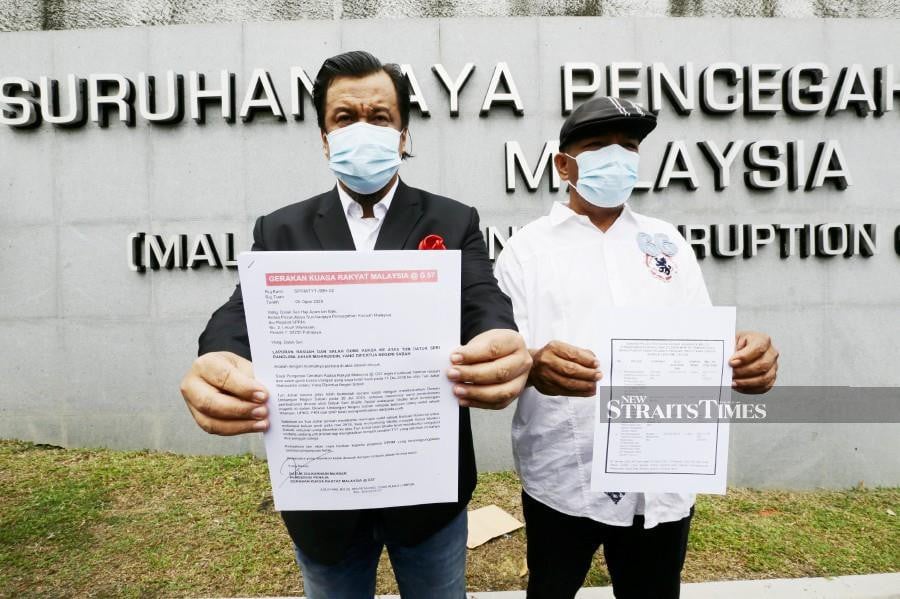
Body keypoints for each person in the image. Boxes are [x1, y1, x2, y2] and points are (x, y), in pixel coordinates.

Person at [179, 50, 532, 599]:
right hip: (325, 501)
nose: (363, 128)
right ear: (324, 137)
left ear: (403, 134)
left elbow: (481, 296)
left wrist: (498, 338)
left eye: (380, 116)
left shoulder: (451, 219)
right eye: (345, 118)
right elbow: (242, 310)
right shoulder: (282, 229)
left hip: (427, 494)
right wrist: (217, 355)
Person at [493, 96, 780, 599]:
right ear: (565, 164)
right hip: (565, 475)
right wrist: (534, 364)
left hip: (662, 477)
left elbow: (702, 341)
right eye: (598, 146)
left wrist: (743, 358)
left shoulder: (666, 241)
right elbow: (505, 353)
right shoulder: (526, 250)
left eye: (627, 147)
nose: (617, 157)